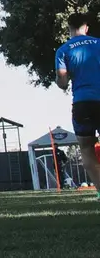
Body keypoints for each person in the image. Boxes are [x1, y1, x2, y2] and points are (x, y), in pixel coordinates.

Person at [55, 13, 100, 198]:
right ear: (86, 27)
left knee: (87, 149)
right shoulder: (98, 43)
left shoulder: (63, 50)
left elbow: (63, 82)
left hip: (82, 103)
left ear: (69, 28)